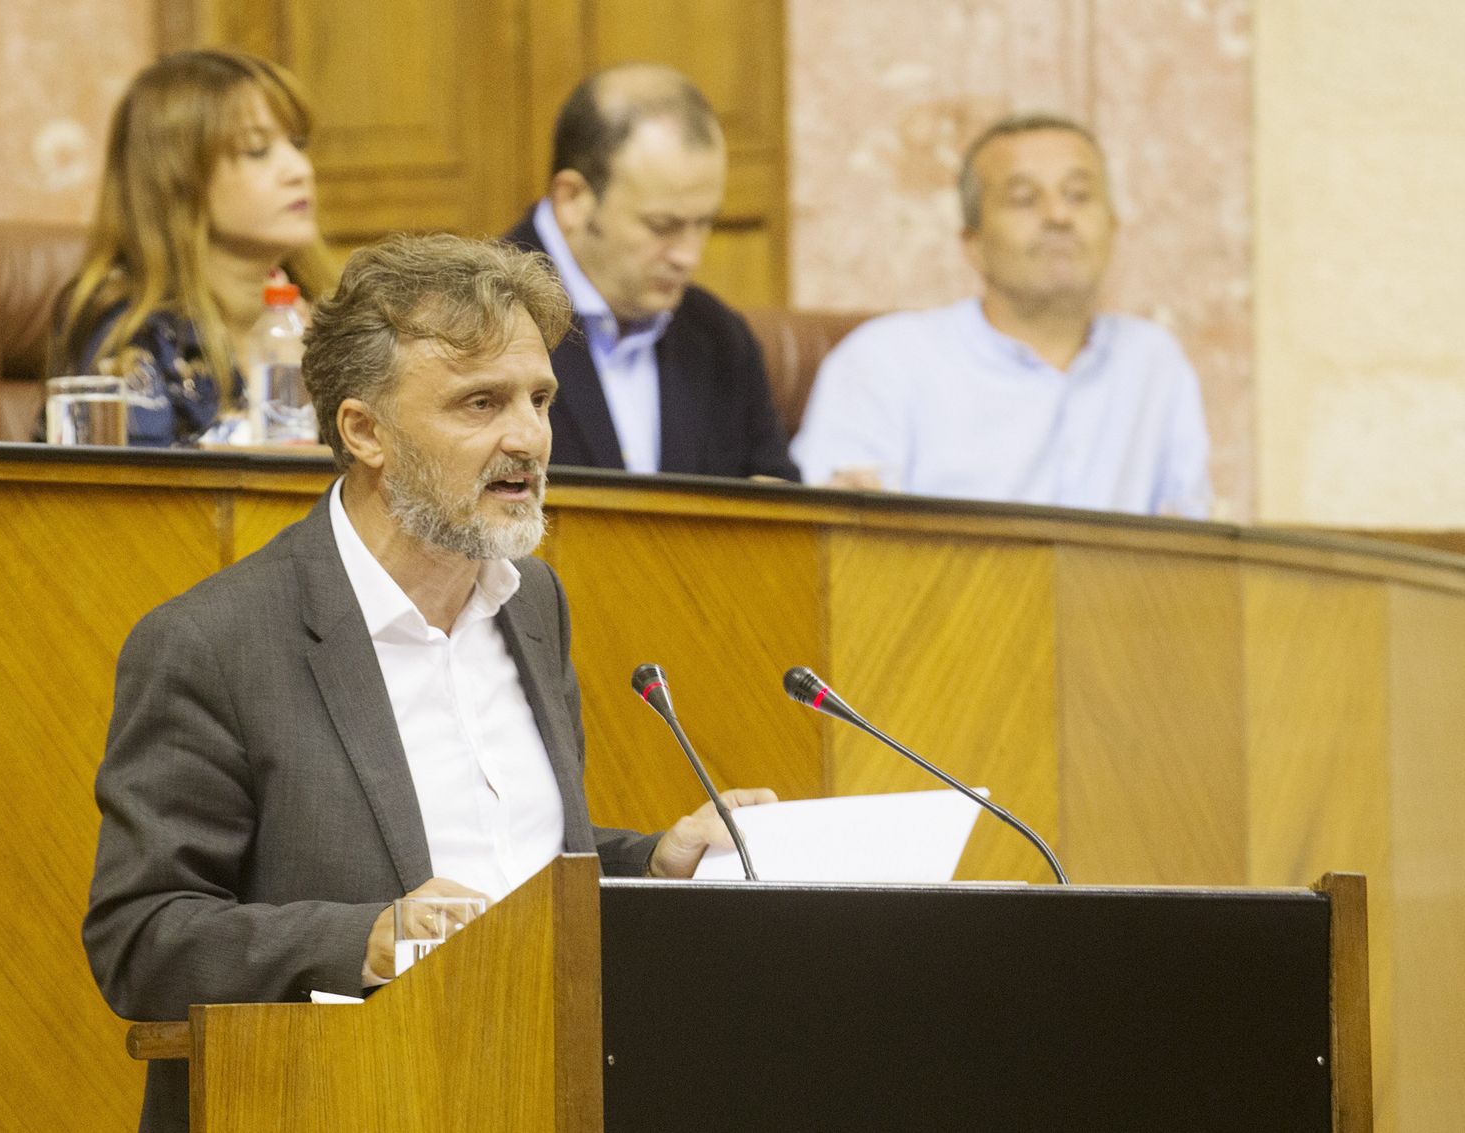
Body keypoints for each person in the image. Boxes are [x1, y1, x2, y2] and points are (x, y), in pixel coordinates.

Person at [82, 232, 773, 1131]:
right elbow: (141, 937)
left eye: (539, 398)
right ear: (365, 430)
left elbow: (506, 869)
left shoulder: (534, 603)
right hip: (333, 1099)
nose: (527, 436)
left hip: (538, 1087)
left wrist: (650, 861)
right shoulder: (213, 643)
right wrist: (369, 937)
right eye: (479, 403)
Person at [790, 113, 1212, 518]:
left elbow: (1190, 543)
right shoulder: (886, 361)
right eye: (1024, 199)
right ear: (972, 243)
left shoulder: (1153, 361)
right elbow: (840, 548)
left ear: (1113, 227)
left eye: (1078, 195)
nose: (1058, 217)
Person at [502, 63, 798, 480]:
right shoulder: (474, 318)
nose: (688, 256)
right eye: (663, 226)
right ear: (573, 200)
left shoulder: (719, 336)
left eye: (703, 223)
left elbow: (777, 496)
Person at [50, 49, 335, 447]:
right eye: (257, 150)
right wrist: (266, 396)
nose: (300, 171)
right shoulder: (126, 326)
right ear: (178, 180)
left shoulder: (333, 317)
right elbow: (140, 497)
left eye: (298, 144)